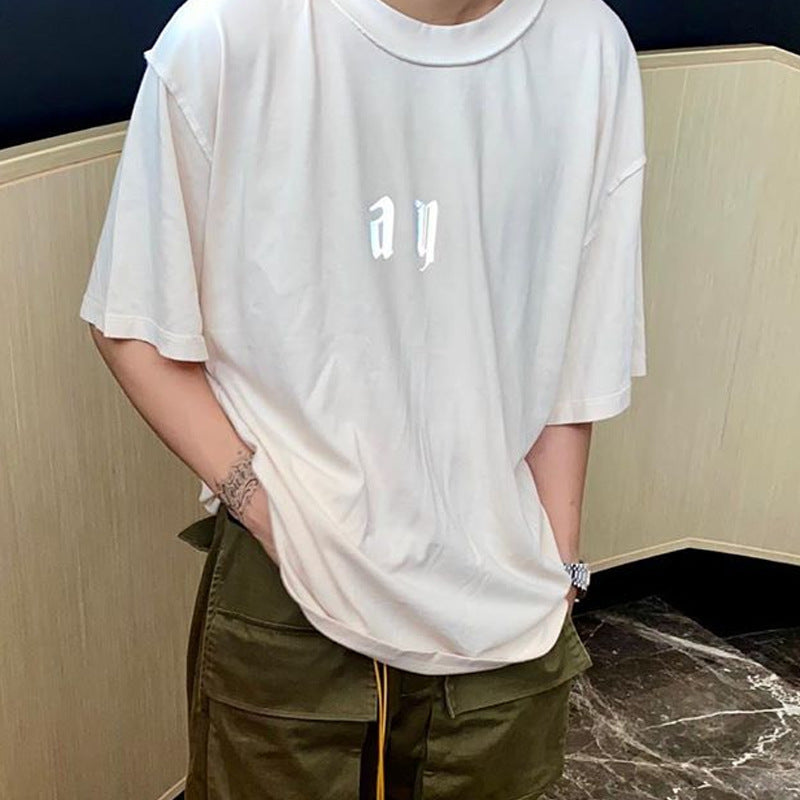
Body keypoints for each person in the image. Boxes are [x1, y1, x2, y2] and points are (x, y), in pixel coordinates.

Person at [79, 0, 647, 795]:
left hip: (507, 598)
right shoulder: (229, 34)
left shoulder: (590, 48)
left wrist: (561, 565)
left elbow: (573, 356)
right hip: (291, 595)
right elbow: (132, 322)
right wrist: (269, 515)